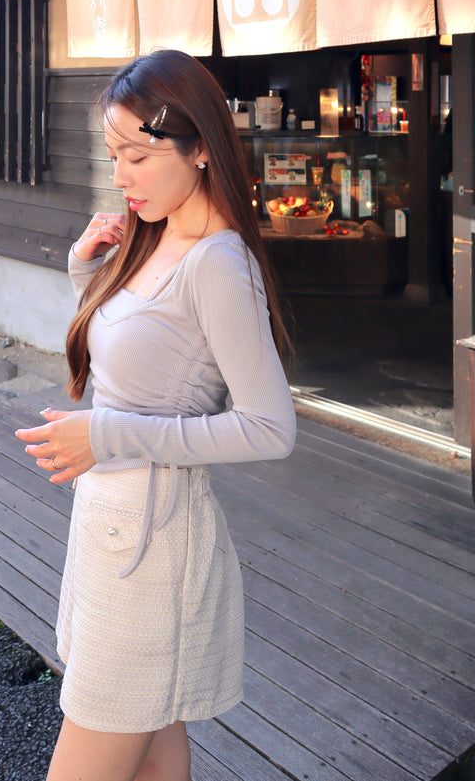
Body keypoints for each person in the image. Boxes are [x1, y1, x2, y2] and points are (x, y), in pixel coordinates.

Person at [16, 49, 297, 781]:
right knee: (155, 761)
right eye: (114, 154)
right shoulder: (153, 234)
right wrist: (87, 274)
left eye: (138, 154)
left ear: (200, 145)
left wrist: (104, 434)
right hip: (113, 531)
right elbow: (130, 362)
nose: (121, 176)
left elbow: (270, 427)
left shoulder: (216, 262)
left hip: (153, 548)